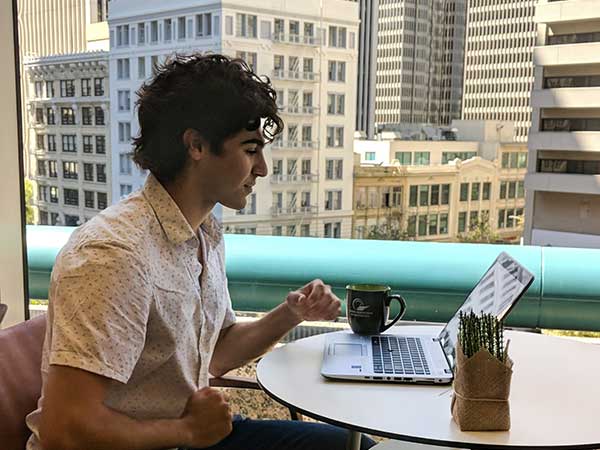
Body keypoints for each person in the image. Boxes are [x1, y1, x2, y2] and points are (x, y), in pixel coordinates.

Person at [26, 53, 376, 450]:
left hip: (188, 434)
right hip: (157, 439)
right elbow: (64, 429)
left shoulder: (203, 232)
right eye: (249, 149)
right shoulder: (113, 256)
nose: (262, 168)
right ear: (196, 145)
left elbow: (216, 352)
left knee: (355, 447)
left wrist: (291, 313)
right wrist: (189, 431)